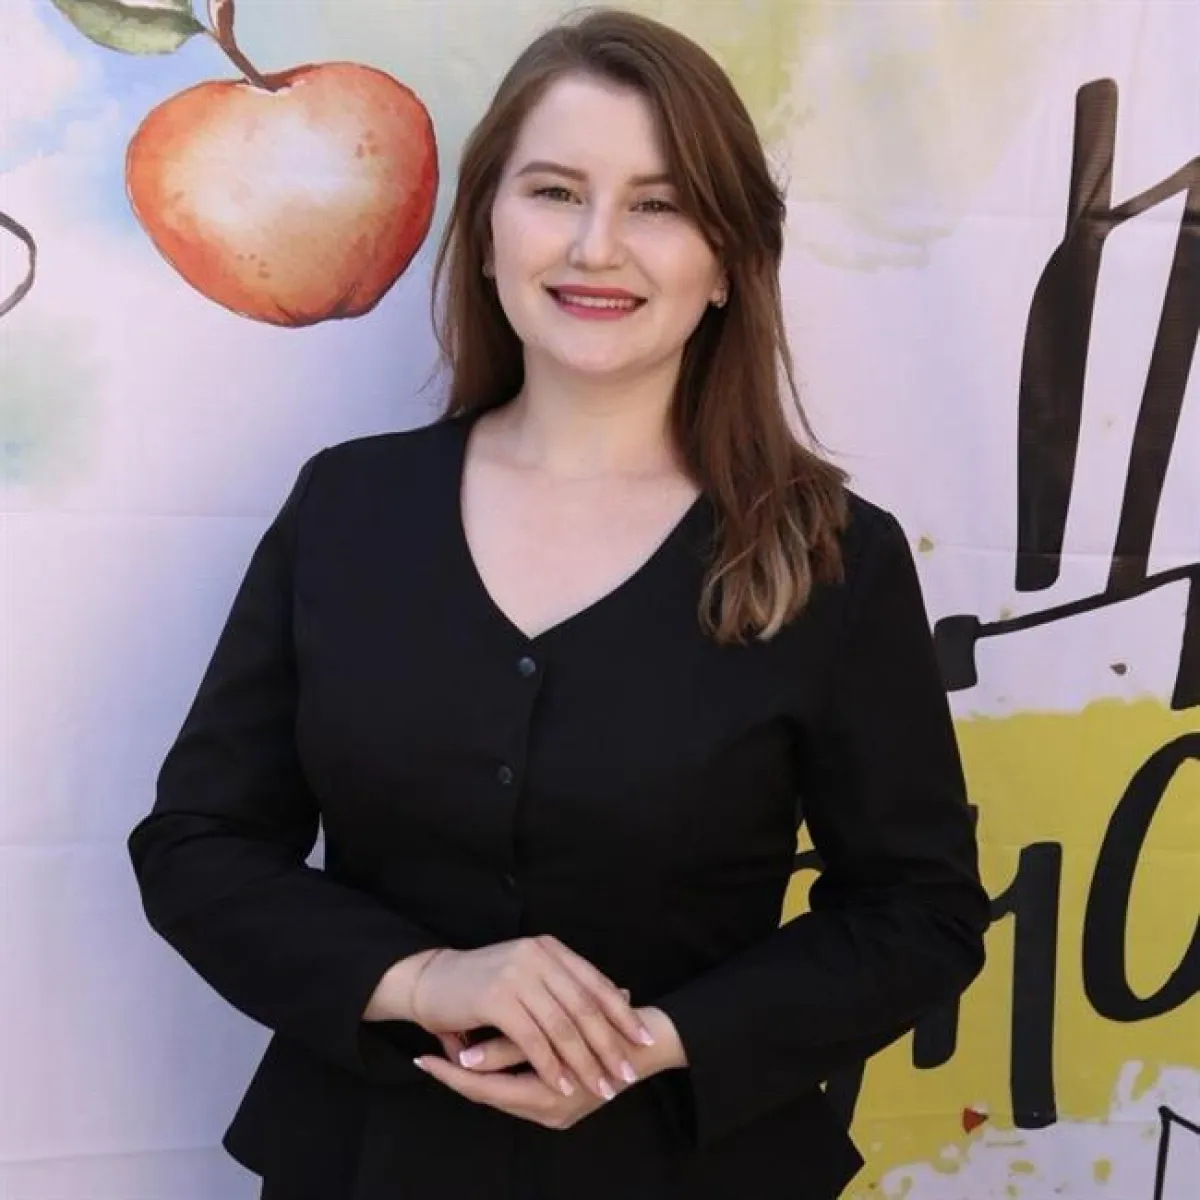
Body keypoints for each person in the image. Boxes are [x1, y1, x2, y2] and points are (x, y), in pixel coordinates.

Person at [127, 8, 991, 1199]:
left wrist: (645, 1045)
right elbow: (198, 846)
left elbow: (918, 911)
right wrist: (426, 979)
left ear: (729, 259)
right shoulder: (346, 510)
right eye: (554, 192)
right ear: (487, 230)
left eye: (659, 204)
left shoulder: (834, 554)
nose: (597, 246)